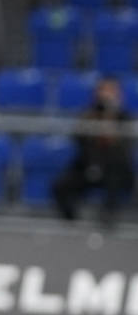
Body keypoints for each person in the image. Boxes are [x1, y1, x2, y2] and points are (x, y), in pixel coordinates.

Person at [53, 76, 134, 227]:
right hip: (88, 165)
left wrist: (110, 116)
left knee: (115, 183)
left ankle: (107, 221)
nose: (106, 95)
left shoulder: (124, 117)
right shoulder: (89, 113)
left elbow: (123, 148)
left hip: (114, 168)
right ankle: (70, 220)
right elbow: (78, 138)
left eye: (110, 91)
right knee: (60, 185)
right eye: (103, 90)